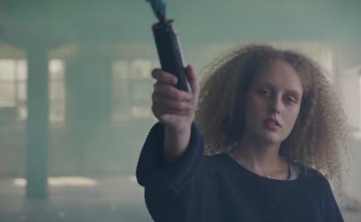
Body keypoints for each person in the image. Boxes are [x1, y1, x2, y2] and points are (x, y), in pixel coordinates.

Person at [136, 43, 348, 222]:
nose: (276, 106)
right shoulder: (207, 177)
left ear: (302, 113)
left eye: (289, 99)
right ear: (241, 99)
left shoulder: (315, 187)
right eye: (264, 92)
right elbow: (171, 202)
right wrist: (179, 128)